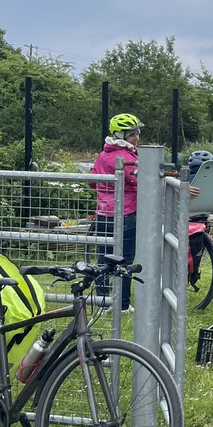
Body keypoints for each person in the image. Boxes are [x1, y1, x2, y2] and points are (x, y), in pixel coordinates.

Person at [89, 113, 142, 311]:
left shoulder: (103, 154)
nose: (136, 138)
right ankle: (122, 304)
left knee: (103, 257)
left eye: (137, 133)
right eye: (132, 134)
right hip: (126, 213)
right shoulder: (126, 157)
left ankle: (103, 300)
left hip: (103, 213)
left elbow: (92, 181)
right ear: (121, 135)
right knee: (125, 260)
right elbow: (139, 181)